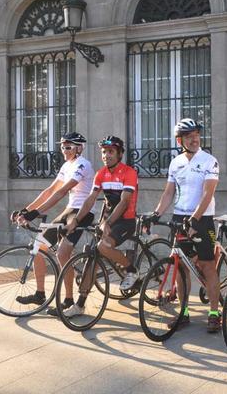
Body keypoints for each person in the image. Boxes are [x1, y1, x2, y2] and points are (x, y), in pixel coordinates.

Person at [149, 118, 221, 332]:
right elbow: (168, 192)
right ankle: (184, 313)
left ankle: (214, 314)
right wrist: (156, 213)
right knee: (180, 268)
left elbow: (208, 193)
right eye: (189, 136)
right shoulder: (176, 162)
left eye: (197, 135)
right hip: (180, 218)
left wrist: (195, 218)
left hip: (202, 218)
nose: (194, 139)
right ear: (180, 140)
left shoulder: (210, 161)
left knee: (207, 266)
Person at [13, 132, 95, 315]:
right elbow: (51, 190)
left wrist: (35, 213)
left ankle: (69, 301)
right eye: (62, 147)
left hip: (83, 212)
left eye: (68, 147)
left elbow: (62, 192)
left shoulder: (83, 164)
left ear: (79, 148)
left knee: (62, 253)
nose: (64, 150)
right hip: (69, 211)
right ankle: (40, 294)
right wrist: (26, 210)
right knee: (39, 248)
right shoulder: (67, 165)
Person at [62, 135, 140, 318]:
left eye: (111, 151)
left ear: (120, 154)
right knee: (92, 257)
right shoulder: (101, 173)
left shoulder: (129, 172)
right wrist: (76, 220)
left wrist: (107, 223)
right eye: (104, 152)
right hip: (108, 220)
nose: (106, 155)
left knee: (103, 246)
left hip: (125, 221)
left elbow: (124, 202)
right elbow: (90, 200)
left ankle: (131, 270)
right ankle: (80, 305)